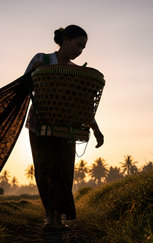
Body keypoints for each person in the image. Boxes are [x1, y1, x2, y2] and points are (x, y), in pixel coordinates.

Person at [24, 25, 104, 232]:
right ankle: (50, 219)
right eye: (78, 45)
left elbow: (82, 104)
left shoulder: (75, 72)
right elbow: (25, 85)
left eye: (83, 48)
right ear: (65, 39)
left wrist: (96, 129)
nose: (80, 51)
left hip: (66, 127)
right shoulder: (41, 58)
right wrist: (36, 73)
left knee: (64, 172)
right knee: (45, 170)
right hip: (40, 125)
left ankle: (59, 219)